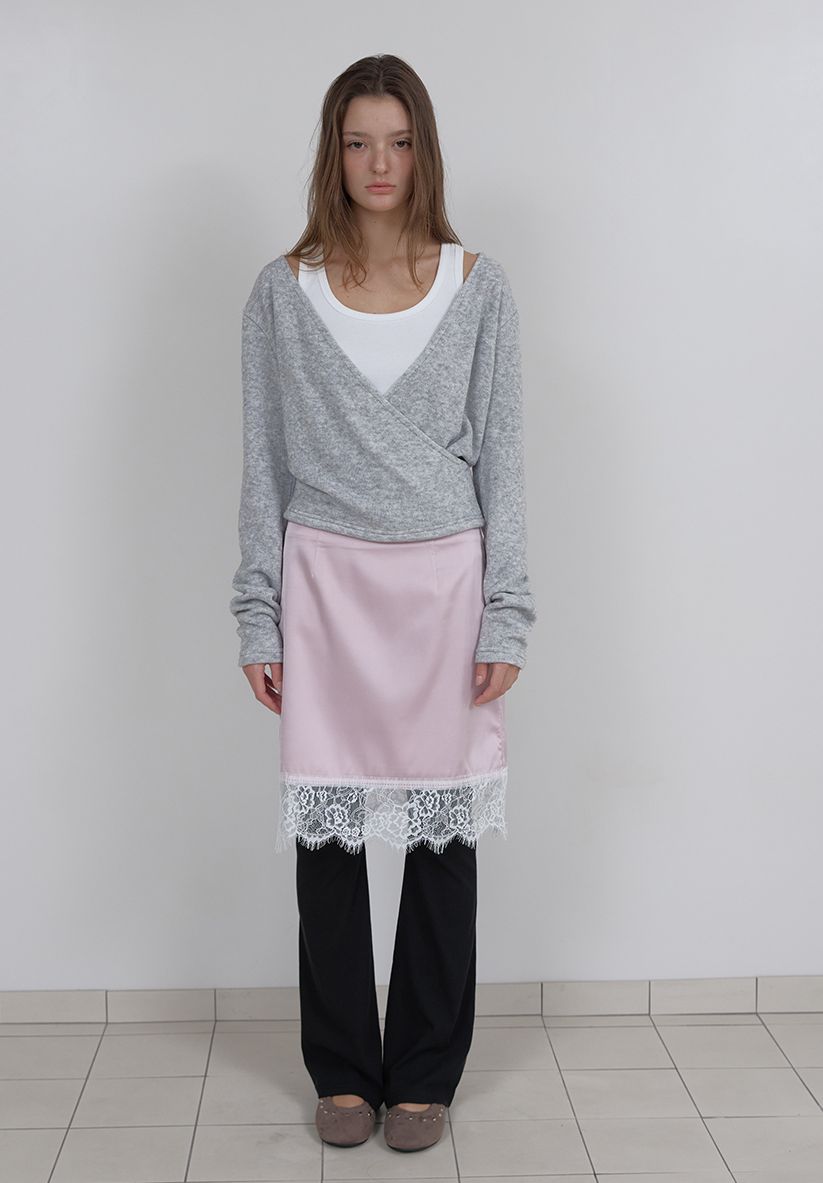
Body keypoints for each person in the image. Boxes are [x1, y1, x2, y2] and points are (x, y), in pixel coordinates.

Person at [230, 53, 536, 1153]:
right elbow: (263, 464)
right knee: (330, 837)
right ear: (333, 152)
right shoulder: (281, 292)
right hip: (324, 585)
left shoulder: (479, 286)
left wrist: (507, 610)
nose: (378, 164)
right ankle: (343, 1072)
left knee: (441, 835)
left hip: (444, 586)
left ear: (423, 152)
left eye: (397, 142)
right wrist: (255, 612)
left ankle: (423, 1074)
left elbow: (503, 461)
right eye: (358, 142)